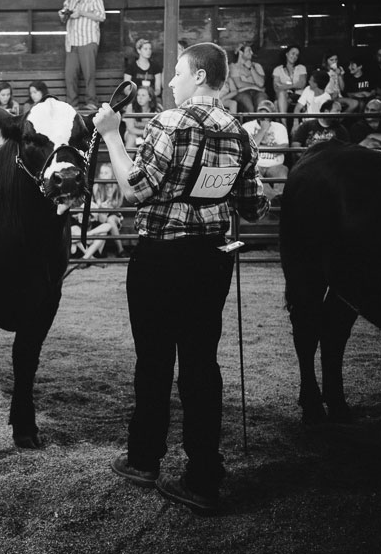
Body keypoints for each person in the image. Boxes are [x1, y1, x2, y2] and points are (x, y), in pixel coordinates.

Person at [93, 42, 267, 517]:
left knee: (153, 361)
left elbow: (135, 189)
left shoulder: (168, 122)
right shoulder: (241, 133)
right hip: (211, 261)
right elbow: (253, 207)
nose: (170, 81)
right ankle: (204, 475)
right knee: (200, 364)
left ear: (198, 76)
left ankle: (145, 458)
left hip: (162, 258)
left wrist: (111, 135)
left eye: (177, 73)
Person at [60, 0, 105, 108]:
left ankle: (91, 102)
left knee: (89, 73)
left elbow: (101, 16)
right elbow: (64, 16)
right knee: (70, 75)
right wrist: (63, 15)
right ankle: (72, 104)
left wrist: (82, 13)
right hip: (72, 42)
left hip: (88, 40)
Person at [241, 99, 289, 204]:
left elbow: (283, 149)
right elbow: (248, 148)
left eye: (266, 113)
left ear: (271, 114)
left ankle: (278, 200)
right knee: (254, 175)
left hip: (276, 165)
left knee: (282, 172)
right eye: (260, 112)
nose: (263, 116)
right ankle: (275, 201)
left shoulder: (280, 127)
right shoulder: (247, 126)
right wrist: (263, 130)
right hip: (255, 164)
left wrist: (260, 144)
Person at [228, 43, 267, 113]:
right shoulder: (233, 66)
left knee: (261, 104)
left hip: (258, 92)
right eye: (249, 51)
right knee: (249, 107)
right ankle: (252, 123)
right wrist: (255, 85)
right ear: (240, 52)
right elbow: (239, 84)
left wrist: (251, 68)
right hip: (242, 93)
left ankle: (261, 122)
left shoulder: (257, 66)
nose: (252, 53)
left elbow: (261, 83)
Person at [272, 45, 307, 115]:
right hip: (283, 95)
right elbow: (276, 87)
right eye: (293, 53)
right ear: (287, 54)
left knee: (277, 103)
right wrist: (294, 85)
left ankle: (283, 123)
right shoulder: (278, 69)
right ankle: (284, 122)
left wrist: (285, 86)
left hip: (298, 96)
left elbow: (302, 84)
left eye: (297, 55)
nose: (294, 57)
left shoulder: (301, 68)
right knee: (281, 95)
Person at [124, 85, 158, 149]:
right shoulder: (131, 107)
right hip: (133, 134)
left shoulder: (156, 109)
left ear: (150, 98)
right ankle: (127, 159)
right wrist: (145, 133)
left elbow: (156, 130)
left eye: (143, 95)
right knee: (131, 138)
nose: (140, 98)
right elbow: (130, 129)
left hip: (150, 136)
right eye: (138, 95)